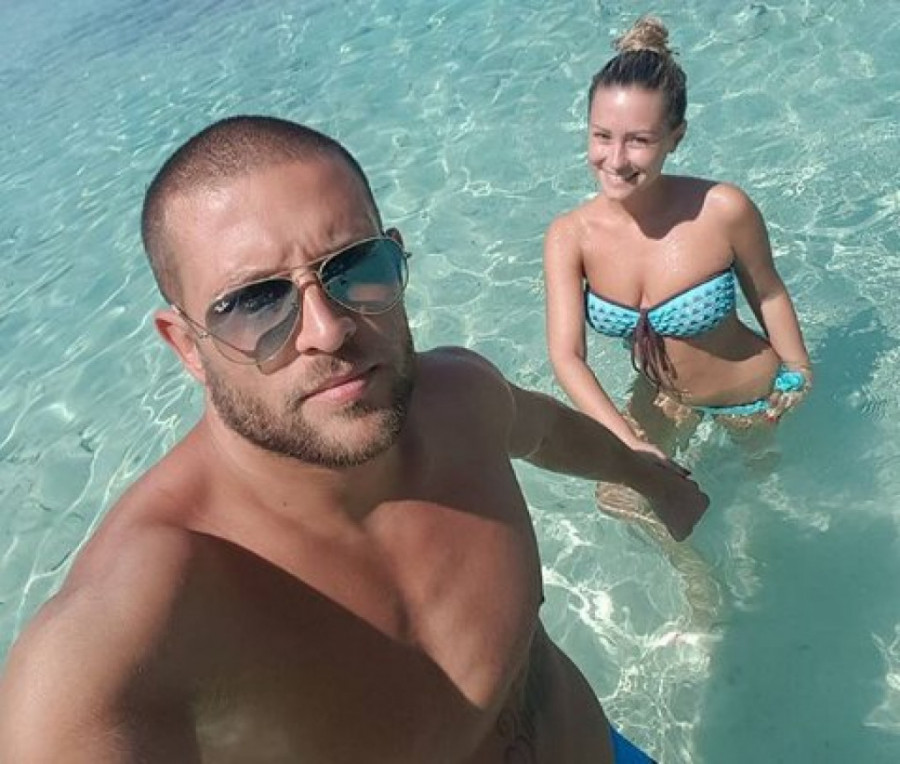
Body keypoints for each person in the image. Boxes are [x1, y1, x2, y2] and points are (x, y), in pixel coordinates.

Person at [0, 116, 707, 764]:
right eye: (254, 301)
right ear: (186, 345)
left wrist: (651, 477)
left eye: (355, 267)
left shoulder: (458, 400)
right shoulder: (149, 608)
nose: (328, 329)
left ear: (394, 258)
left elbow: (545, 430)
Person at [544, 16, 812, 461]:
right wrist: (628, 444)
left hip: (751, 398)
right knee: (621, 494)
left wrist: (798, 370)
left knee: (763, 492)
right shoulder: (568, 236)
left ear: (676, 137)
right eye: (602, 136)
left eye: (639, 140)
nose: (616, 159)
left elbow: (768, 294)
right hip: (661, 398)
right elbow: (567, 356)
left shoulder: (722, 209)